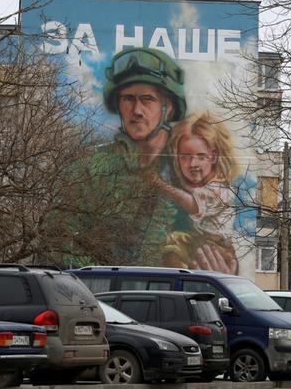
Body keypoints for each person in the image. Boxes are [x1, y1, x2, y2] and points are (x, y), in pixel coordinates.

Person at [55, 47, 189, 266]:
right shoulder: (89, 170)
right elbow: (58, 238)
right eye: (128, 99)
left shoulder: (190, 168)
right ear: (118, 105)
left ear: (168, 108)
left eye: (148, 99)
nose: (137, 110)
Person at [147, 112, 240, 274]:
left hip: (216, 246)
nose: (193, 164)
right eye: (185, 156)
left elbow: (191, 203)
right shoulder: (202, 187)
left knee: (175, 243)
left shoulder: (218, 190)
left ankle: (182, 278)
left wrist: (161, 185)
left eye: (200, 156)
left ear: (213, 156)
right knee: (173, 241)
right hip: (202, 241)